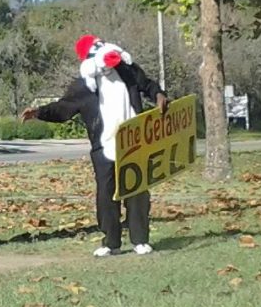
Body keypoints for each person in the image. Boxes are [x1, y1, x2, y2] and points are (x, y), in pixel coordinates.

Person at [21, 35, 168, 257]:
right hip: (103, 147)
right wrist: (39, 113)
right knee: (106, 195)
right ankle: (111, 242)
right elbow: (63, 108)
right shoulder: (83, 86)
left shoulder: (128, 72)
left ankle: (140, 240)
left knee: (138, 192)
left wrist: (158, 95)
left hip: (135, 143)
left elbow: (148, 85)